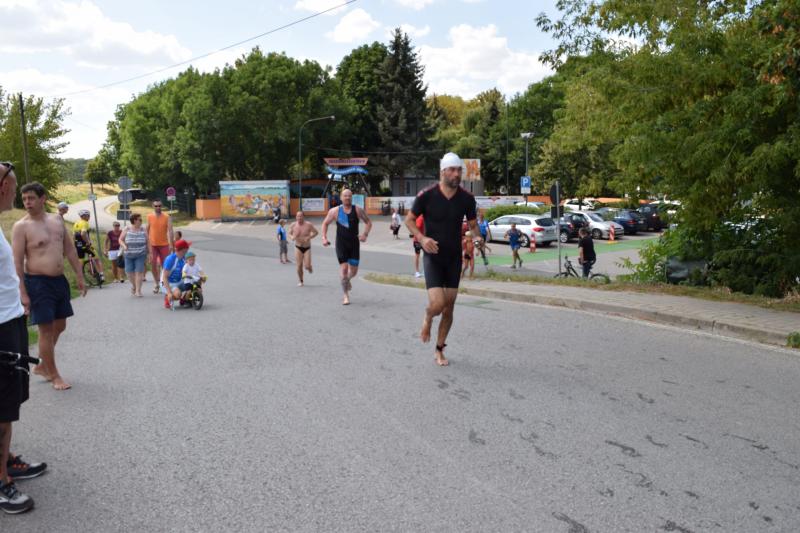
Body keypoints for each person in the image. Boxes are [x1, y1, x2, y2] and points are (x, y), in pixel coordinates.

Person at [405, 152, 481, 366]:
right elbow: (409, 220)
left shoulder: (467, 198)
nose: (457, 174)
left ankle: (439, 349)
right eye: (452, 170)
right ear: (443, 172)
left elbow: (473, 225)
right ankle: (428, 317)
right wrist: (422, 238)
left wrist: (478, 237)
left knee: (449, 307)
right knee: (437, 304)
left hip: (454, 258)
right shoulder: (427, 195)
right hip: (433, 256)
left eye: (459, 170)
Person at [0, 163, 44, 515]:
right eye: (14, 189)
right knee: (1, 410)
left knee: (10, 402)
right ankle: (1, 481)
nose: (16, 195)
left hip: (10, 320)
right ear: (2, 188)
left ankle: (5, 460)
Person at [12, 182, 86, 391]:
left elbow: (69, 249)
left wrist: (80, 275)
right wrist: (23, 292)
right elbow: (17, 262)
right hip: (37, 283)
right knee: (45, 330)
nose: (27, 202)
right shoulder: (21, 227)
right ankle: (54, 375)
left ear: (43, 198)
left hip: (59, 281)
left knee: (60, 326)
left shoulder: (57, 220)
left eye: (31, 198)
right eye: (24, 199)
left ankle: (43, 364)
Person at [321, 189, 372, 305]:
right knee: (344, 269)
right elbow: (325, 223)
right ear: (341, 197)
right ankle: (345, 295)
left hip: (354, 244)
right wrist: (324, 237)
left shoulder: (357, 210)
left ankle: (347, 280)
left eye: (349, 196)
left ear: (352, 197)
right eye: (345, 196)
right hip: (341, 244)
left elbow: (368, 222)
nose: (347, 197)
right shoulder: (334, 211)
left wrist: (365, 234)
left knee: (353, 272)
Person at [146, 200, 174, 294]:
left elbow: (170, 230)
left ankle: (164, 283)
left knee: (165, 265)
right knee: (153, 264)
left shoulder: (167, 217)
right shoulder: (149, 216)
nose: (158, 207)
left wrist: (171, 244)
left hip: (164, 244)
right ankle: (156, 283)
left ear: (161, 206)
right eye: (156, 206)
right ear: (153, 206)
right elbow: (147, 231)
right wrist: (146, 244)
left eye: (159, 206)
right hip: (152, 245)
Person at [119, 213, 149, 297]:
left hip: (141, 254)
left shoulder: (143, 229)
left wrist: (150, 253)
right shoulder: (127, 228)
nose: (141, 221)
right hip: (128, 254)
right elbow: (120, 239)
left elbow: (148, 241)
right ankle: (135, 286)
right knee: (129, 272)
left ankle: (138, 291)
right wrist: (124, 246)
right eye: (140, 220)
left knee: (139, 272)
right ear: (135, 220)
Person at [72, 209, 104, 283]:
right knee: (97, 259)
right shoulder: (85, 223)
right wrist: (88, 242)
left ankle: (80, 279)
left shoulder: (76, 223)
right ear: (84, 216)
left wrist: (75, 244)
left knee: (81, 261)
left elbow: (73, 235)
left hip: (78, 246)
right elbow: (83, 233)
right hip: (86, 245)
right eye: (88, 215)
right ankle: (101, 275)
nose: (89, 217)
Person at [288, 212, 319, 287]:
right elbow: (289, 233)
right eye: (297, 216)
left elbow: (316, 232)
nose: (299, 218)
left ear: (303, 217)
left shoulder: (308, 224)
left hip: (307, 247)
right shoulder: (293, 225)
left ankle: (309, 267)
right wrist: (292, 237)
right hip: (298, 247)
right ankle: (301, 280)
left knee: (307, 266)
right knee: (299, 265)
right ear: (296, 217)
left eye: (300, 216)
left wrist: (309, 237)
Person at [160, 239, 190, 309]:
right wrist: (169, 292)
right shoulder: (170, 259)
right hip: (168, 282)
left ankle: (184, 300)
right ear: (183, 250)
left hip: (179, 280)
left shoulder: (185, 258)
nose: (188, 250)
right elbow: (165, 277)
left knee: (193, 286)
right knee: (177, 294)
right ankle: (168, 297)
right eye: (187, 248)